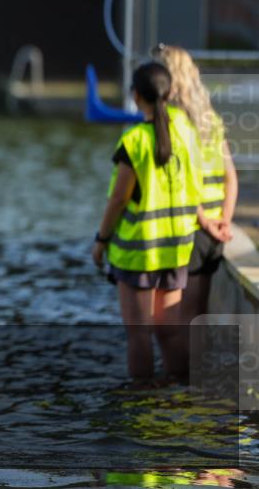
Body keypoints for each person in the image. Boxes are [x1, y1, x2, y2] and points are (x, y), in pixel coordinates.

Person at [91, 62, 219, 387]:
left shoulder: (134, 142)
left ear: (135, 96)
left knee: (139, 335)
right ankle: (179, 389)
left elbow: (118, 200)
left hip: (138, 252)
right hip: (176, 249)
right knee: (168, 332)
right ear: (171, 92)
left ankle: (142, 402)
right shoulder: (187, 132)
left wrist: (101, 240)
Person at [153, 44, 237, 322]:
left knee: (181, 319)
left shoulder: (175, 122)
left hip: (192, 226)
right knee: (199, 314)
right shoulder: (211, 120)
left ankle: (181, 367)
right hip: (214, 231)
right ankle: (197, 365)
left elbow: (182, 182)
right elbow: (230, 176)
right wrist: (224, 219)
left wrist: (204, 221)